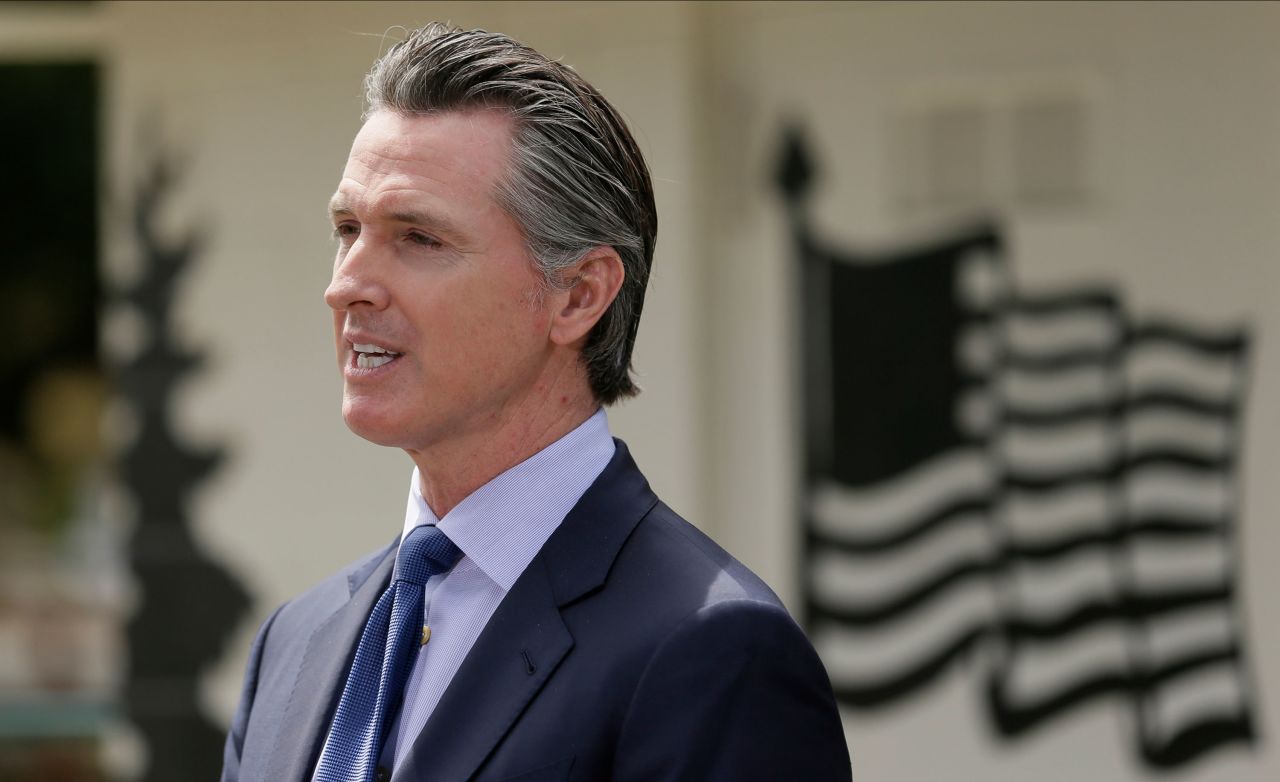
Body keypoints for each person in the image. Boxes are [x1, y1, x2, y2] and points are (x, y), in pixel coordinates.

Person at [221, 22, 851, 782]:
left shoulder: (714, 653)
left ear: (578, 296)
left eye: (418, 237)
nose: (347, 283)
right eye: (347, 229)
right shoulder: (294, 645)